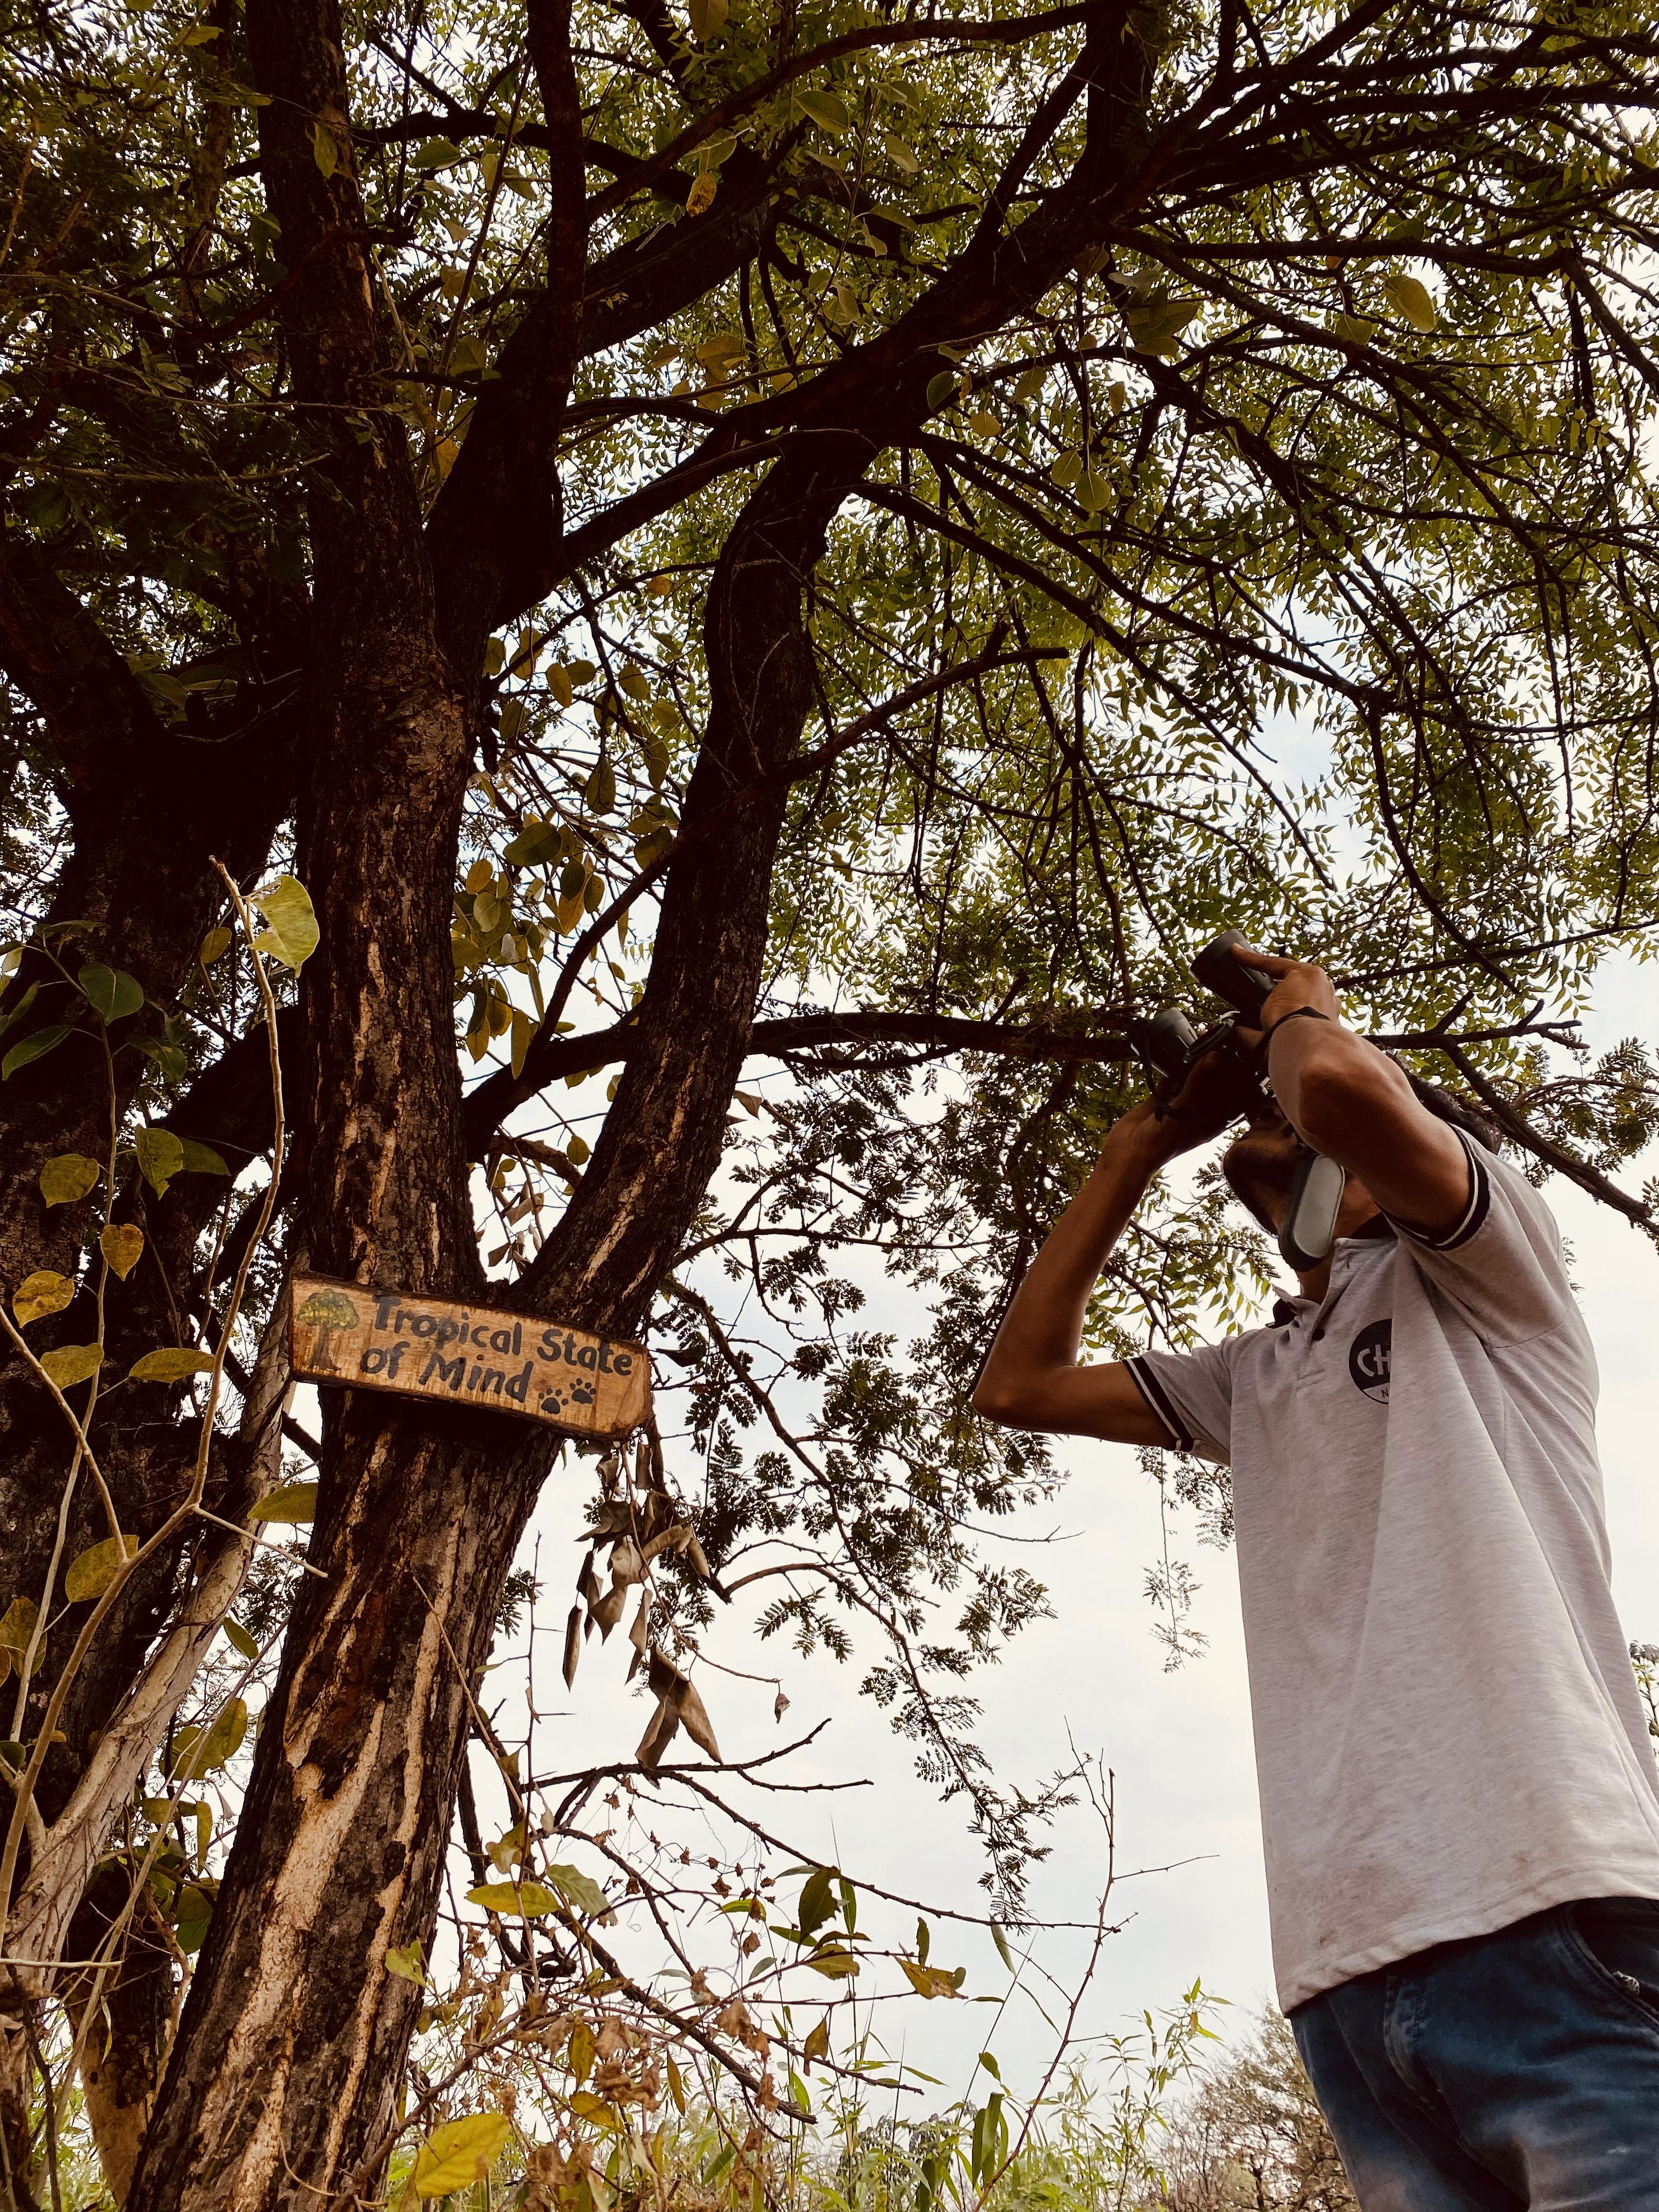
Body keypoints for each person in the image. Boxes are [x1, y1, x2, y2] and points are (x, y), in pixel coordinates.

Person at [972, 944, 1659, 2210]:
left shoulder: (1496, 1278)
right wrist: (1137, 1149)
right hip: (1348, 1972)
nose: (1278, 1154)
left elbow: (1340, 1089)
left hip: (1551, 1908)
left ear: (1379, 1174)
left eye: (1303, 1144)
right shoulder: (1261, 1375)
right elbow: (1016, 1383)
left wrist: (1300, 1004)